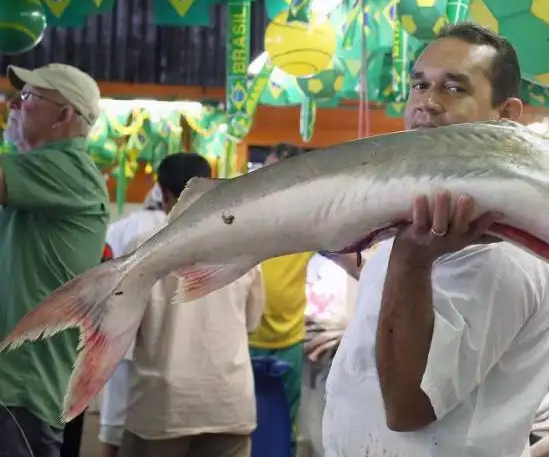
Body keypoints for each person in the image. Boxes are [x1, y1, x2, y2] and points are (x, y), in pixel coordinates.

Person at [322, 22, 549, 457]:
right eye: (419, 86)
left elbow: (408, 407)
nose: (427, 104)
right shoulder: (429, 216)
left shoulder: (503, 250)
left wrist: (409, 260)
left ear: (506, 116)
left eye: (454, 89)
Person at [118, 153, 264, 457]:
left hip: (163, 406)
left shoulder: (141, 249)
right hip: (228, 402)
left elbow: (122, 329)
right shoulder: (246, 245)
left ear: (165, 194)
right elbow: (252, 322)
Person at [0, 64, 109, 457]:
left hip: (21, 391)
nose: (13, 105)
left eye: (28, 97)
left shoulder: (69, 170)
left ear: (64, 116)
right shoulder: (29, 176)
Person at [249, 143, 360, 457]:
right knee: (237, 431)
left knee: (284, 432)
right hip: (238, 341)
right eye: (265, 173)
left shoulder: (310, 226)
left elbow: (363, 267)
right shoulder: (248, 221)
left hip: (289, 342)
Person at [97, 185, 168, 457]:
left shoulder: (118, 228)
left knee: (113, 424)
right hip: (161, 342)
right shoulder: (178, 228)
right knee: (156, 427)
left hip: (120, 338)